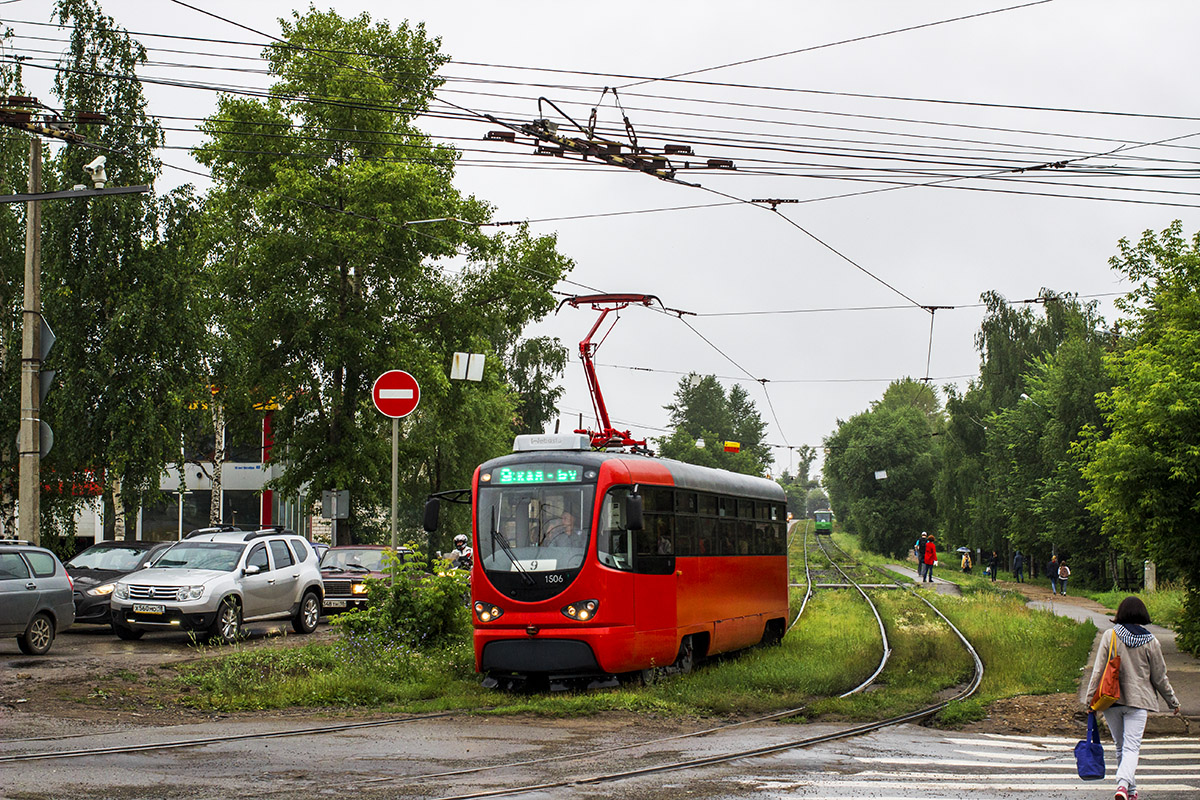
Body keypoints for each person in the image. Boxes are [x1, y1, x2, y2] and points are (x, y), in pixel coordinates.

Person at [1084, 596, 1182, 800]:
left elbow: (1098, 670)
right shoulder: (1151, 641)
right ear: (1142, 614)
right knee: (1131, 747)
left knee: (1121, 747)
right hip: (1139, 701)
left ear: (1120, 613)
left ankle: (1130, 790)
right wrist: (1172, 701)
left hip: (1111, 700)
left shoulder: (1110, 635)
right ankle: (1123, 785)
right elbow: (1159, 677)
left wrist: (1090, 700)